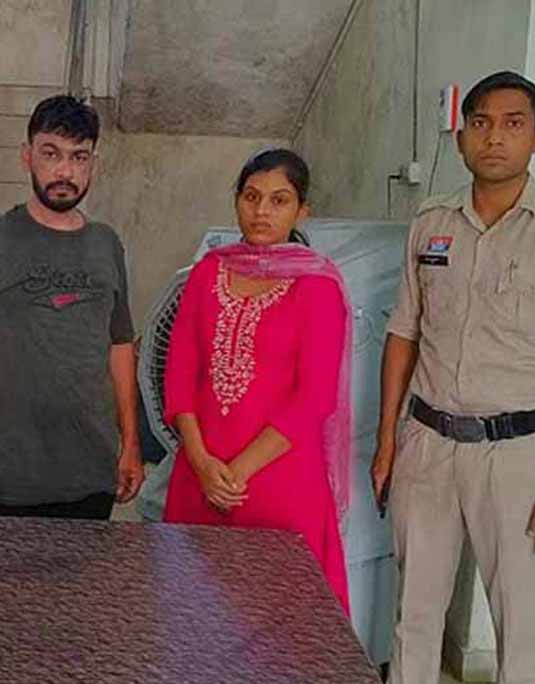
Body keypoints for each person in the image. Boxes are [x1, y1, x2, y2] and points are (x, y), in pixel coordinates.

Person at [371, 71, 535, 684]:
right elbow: (403, 333)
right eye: (480, 123)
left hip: (516, 459)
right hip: (426, 445)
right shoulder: (431, 222)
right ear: (461, 137)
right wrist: (387, 442)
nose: (494, 137)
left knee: (522, 634)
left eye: (513, 124)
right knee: (412, 621)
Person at [162, 148, 352, 612]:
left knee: (278, 625)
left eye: (279, 200)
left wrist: (236, 474)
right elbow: (179, 372)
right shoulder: (208, 272)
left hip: (278, 483)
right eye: (251, 197)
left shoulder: (318, 286)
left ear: (302, 211)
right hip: (199, 478)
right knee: (192, 618)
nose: (262, 210)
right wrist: (202, 463)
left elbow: (314, 397)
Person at [0, 95, 143, 520]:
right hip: (6, 477)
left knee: (88, 569)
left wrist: (131, 442)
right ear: (27, 156)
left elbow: (120, 345)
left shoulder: (107, 244)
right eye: (51, 154)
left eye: (78, 157)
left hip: (92, 471)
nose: (65, 171)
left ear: (93, 164)